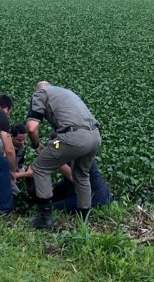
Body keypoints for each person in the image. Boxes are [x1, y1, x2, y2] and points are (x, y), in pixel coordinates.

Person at [26, 81, 101, 229]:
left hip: (73, 138)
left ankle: (44, 218)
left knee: (41, 167)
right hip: (94, 137)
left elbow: (31, 128)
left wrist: (36, 145)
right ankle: (84, 220)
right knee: (81, 174)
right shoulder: (66, 92)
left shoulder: (41, 93)